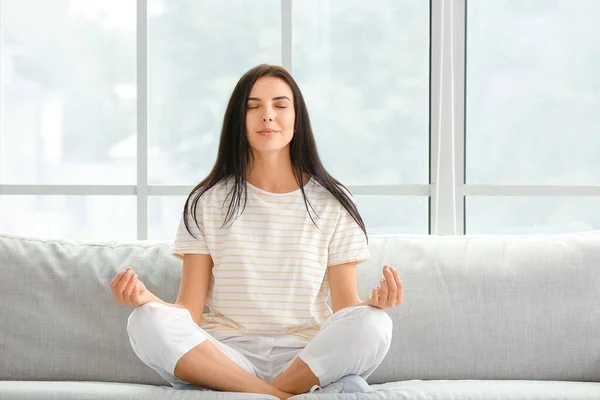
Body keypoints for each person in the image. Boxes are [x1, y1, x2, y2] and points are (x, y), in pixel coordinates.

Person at [109, 64, 404, 399]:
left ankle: (257, 392)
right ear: (240, 120)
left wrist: (373, 305)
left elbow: (345, 309)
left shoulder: (332, 201)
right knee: (144, 321)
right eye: (253, 107)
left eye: (280, 106)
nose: (267, 116)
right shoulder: (207, 200)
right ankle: (279, 395)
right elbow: (188, 310)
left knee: (374, 325)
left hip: (306, 356)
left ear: (297, 118)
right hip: (227, 354)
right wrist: (148, 300)